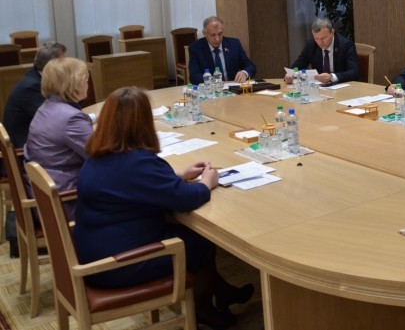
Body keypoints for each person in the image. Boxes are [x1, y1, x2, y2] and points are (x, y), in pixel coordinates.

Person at [73, 87, 253, 329]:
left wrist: (179, 175)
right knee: (201, 242)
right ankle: (202, 309)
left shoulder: (98, 155)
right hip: (119, 264)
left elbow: (134, 184)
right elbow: (185, 199)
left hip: (93, 250)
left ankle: (221, 292)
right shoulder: (138, 162)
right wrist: (206, 183)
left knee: (188, 236)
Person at [23, 57, 93, 220]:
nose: (88, 85)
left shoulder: (46, 107)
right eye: (86, 80)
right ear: (75, 84)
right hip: (66, 203)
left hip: (44, 197)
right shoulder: (71, 118)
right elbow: (102, 155)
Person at [3, 41, 66, 149]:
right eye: (63, 62)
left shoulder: (38, 77)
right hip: (25, 149)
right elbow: (53, 119)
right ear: (51, 65)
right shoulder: (31, 86)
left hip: (38, 139)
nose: (66, 66)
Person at [288, 18, 360, 85]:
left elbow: (354, 72)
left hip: (343, 86)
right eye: (317, 38)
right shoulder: (311, 45)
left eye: (324, 38)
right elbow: (299, 64)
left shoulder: (346, 45)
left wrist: (331, 77)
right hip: (321, 88)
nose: (320, 42)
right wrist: (290, 75)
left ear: (332, 32)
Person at [188, 16, 256, 84]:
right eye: (213, 35)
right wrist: (212, 80)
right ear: (204, 34)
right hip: (211, 88)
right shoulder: (196, 48)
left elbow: (251, 66)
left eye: (220, 34)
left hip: (232, 87)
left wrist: (245, 73)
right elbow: (194, 76)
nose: (217, 39)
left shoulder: (234, 45)